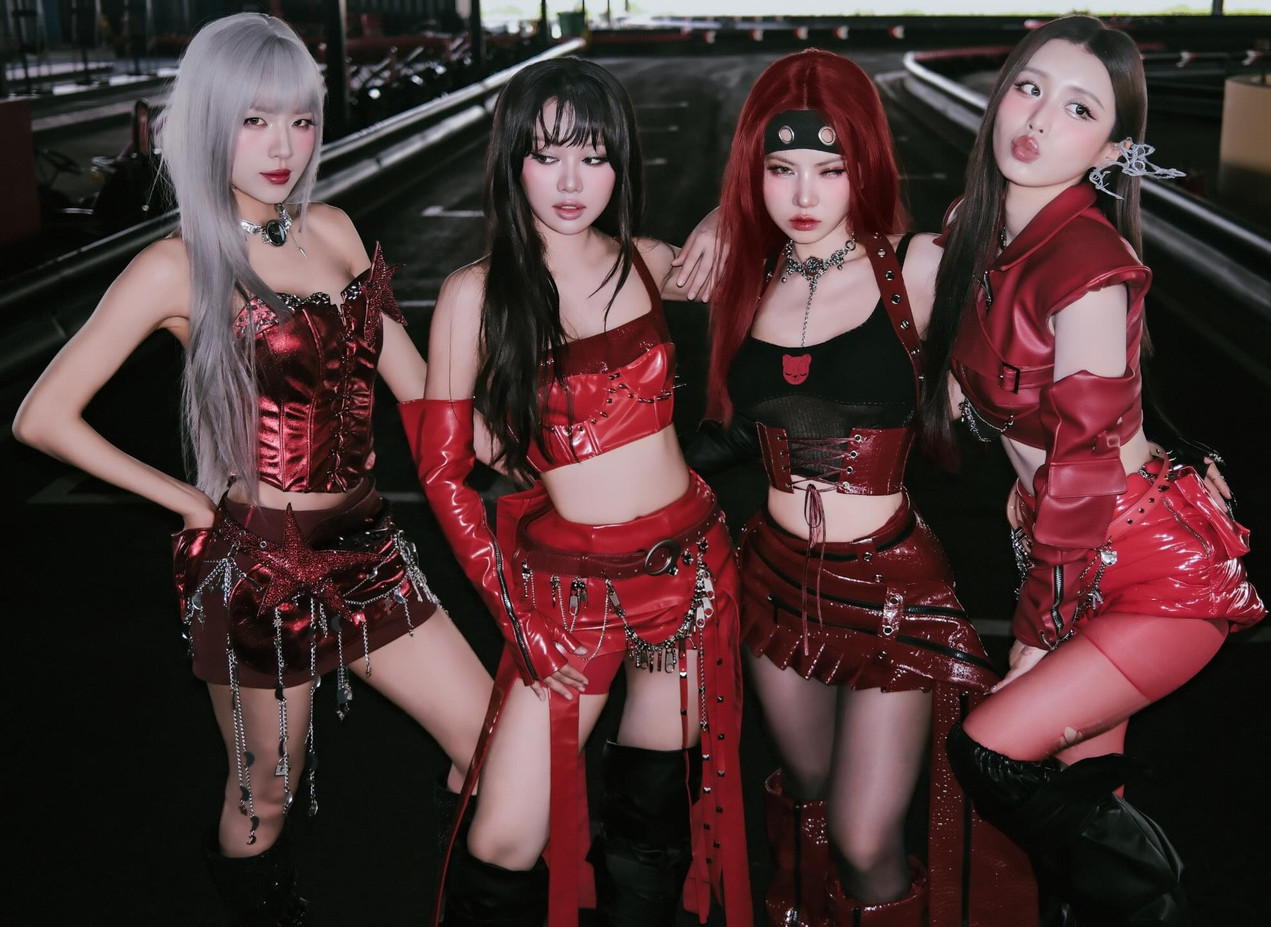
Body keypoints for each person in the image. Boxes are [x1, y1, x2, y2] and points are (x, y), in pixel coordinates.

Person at [12, 13, 493, 925]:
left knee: (491, 740)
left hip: (369, 548)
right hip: (262, 567)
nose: (283, 146)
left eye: (301, 120)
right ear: (210, 123)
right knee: (267, 791)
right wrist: (186, 501)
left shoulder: (338, 229)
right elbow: (42, 416)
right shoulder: (177, 265)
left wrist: (522, 440)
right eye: (255, 120)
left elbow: (420, 389)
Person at [926, 15, 1267, 925]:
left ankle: (1161, 895)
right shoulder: (977, 227)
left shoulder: (1089, 263)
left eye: (1080, 108)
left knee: (991, 753)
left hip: (1148, 572)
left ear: (1113, 148)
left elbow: (1082, 463)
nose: (1040, 119)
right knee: (1083, 809)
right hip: (1076, 556)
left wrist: (1039, 627)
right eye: (1030, 88)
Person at [402, 57, 752, 927]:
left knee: (652, 818)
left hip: (685, 574)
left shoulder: (651, 262)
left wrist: (728, 212)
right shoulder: (473, 295)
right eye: (547, 154)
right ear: (512, 159)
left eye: (593, 157)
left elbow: (794, 239)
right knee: (503, 839)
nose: (570, 181)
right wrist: (514, 612)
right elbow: (443, 473)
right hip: (568, 598)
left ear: (620, 164)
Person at [691, 49, 1034, 927]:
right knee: (805, 797)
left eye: (831, 168)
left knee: (863, 835)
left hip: (891, 591)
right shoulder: (748, 273)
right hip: (773, 582)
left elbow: (1042, 311)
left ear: (866, 166)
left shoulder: (917, 266)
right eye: (780, 169)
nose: (803, 194)